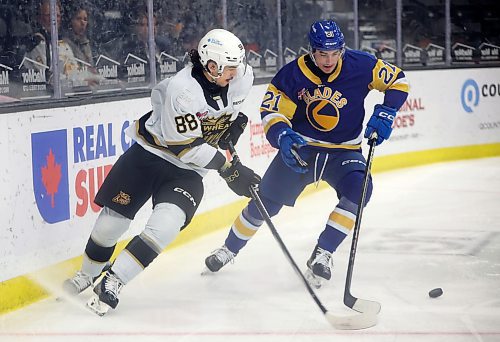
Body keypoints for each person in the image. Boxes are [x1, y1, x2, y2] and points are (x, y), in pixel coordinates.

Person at [63, 28, 261, 315]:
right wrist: (228, 168)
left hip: (187, 174)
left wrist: (233, 126)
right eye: (229, 67)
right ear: (211, 65)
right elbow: (187, 148)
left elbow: (229, 114)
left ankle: (114, 281)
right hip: (149, 157)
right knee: (110, 225)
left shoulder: (242, 76)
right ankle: (87, 274)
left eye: (236, 66)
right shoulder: (183, 91)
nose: (236, 72)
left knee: (166, 225)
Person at [204, 20, 409, 288]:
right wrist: (283, 136)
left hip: (344, 151)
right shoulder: (292, 75)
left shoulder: (362, 65)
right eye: (323, 53)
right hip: (303, 149)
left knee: (360, 190)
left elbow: (398, 80)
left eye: (335, 53)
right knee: (265, 203)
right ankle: (229, 249)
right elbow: (272, 112)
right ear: (311, 51)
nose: (329, 59)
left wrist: (387, 110)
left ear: (343, 49)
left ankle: (323, 253)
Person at [23, 0, 78, 78]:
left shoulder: (64, 44)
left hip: (67, 89)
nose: (54, 19)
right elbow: (47, 76)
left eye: (57, 16)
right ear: (40, 18)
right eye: (48, 15)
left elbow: (75, 72)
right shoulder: (37, 42)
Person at [62, 1, 94, 66]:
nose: (82, 23)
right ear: (71, 21)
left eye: (85, 19)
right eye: (78, 19)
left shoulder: (88, 43)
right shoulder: (64, 44)